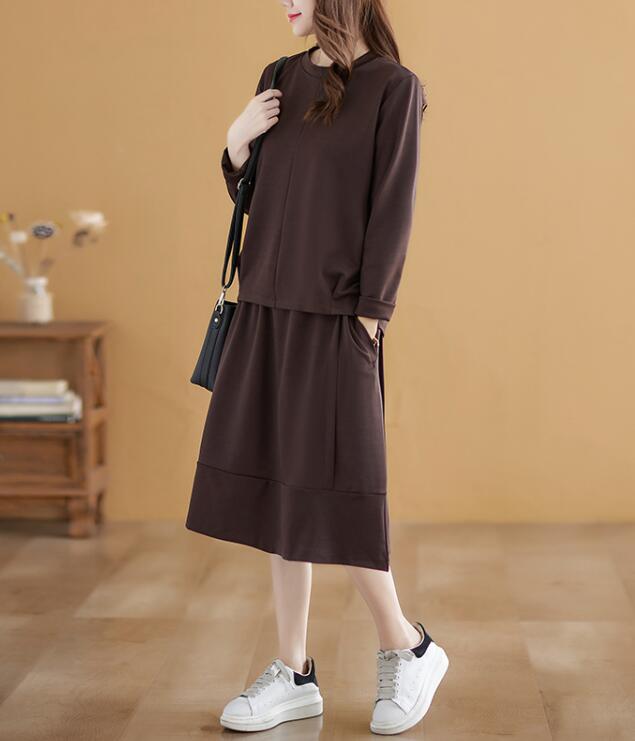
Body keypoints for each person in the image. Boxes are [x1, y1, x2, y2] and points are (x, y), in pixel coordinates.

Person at [185, 0, 448, 734]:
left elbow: (392, 206)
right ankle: (294, 669)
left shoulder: (393, 87)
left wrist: (371, 313)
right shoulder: (278, 76)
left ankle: (408, 646)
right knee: (282, 487)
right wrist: (236, 144)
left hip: (339, 317)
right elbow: (263, 198)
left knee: (341, 489)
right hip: (266, 308)